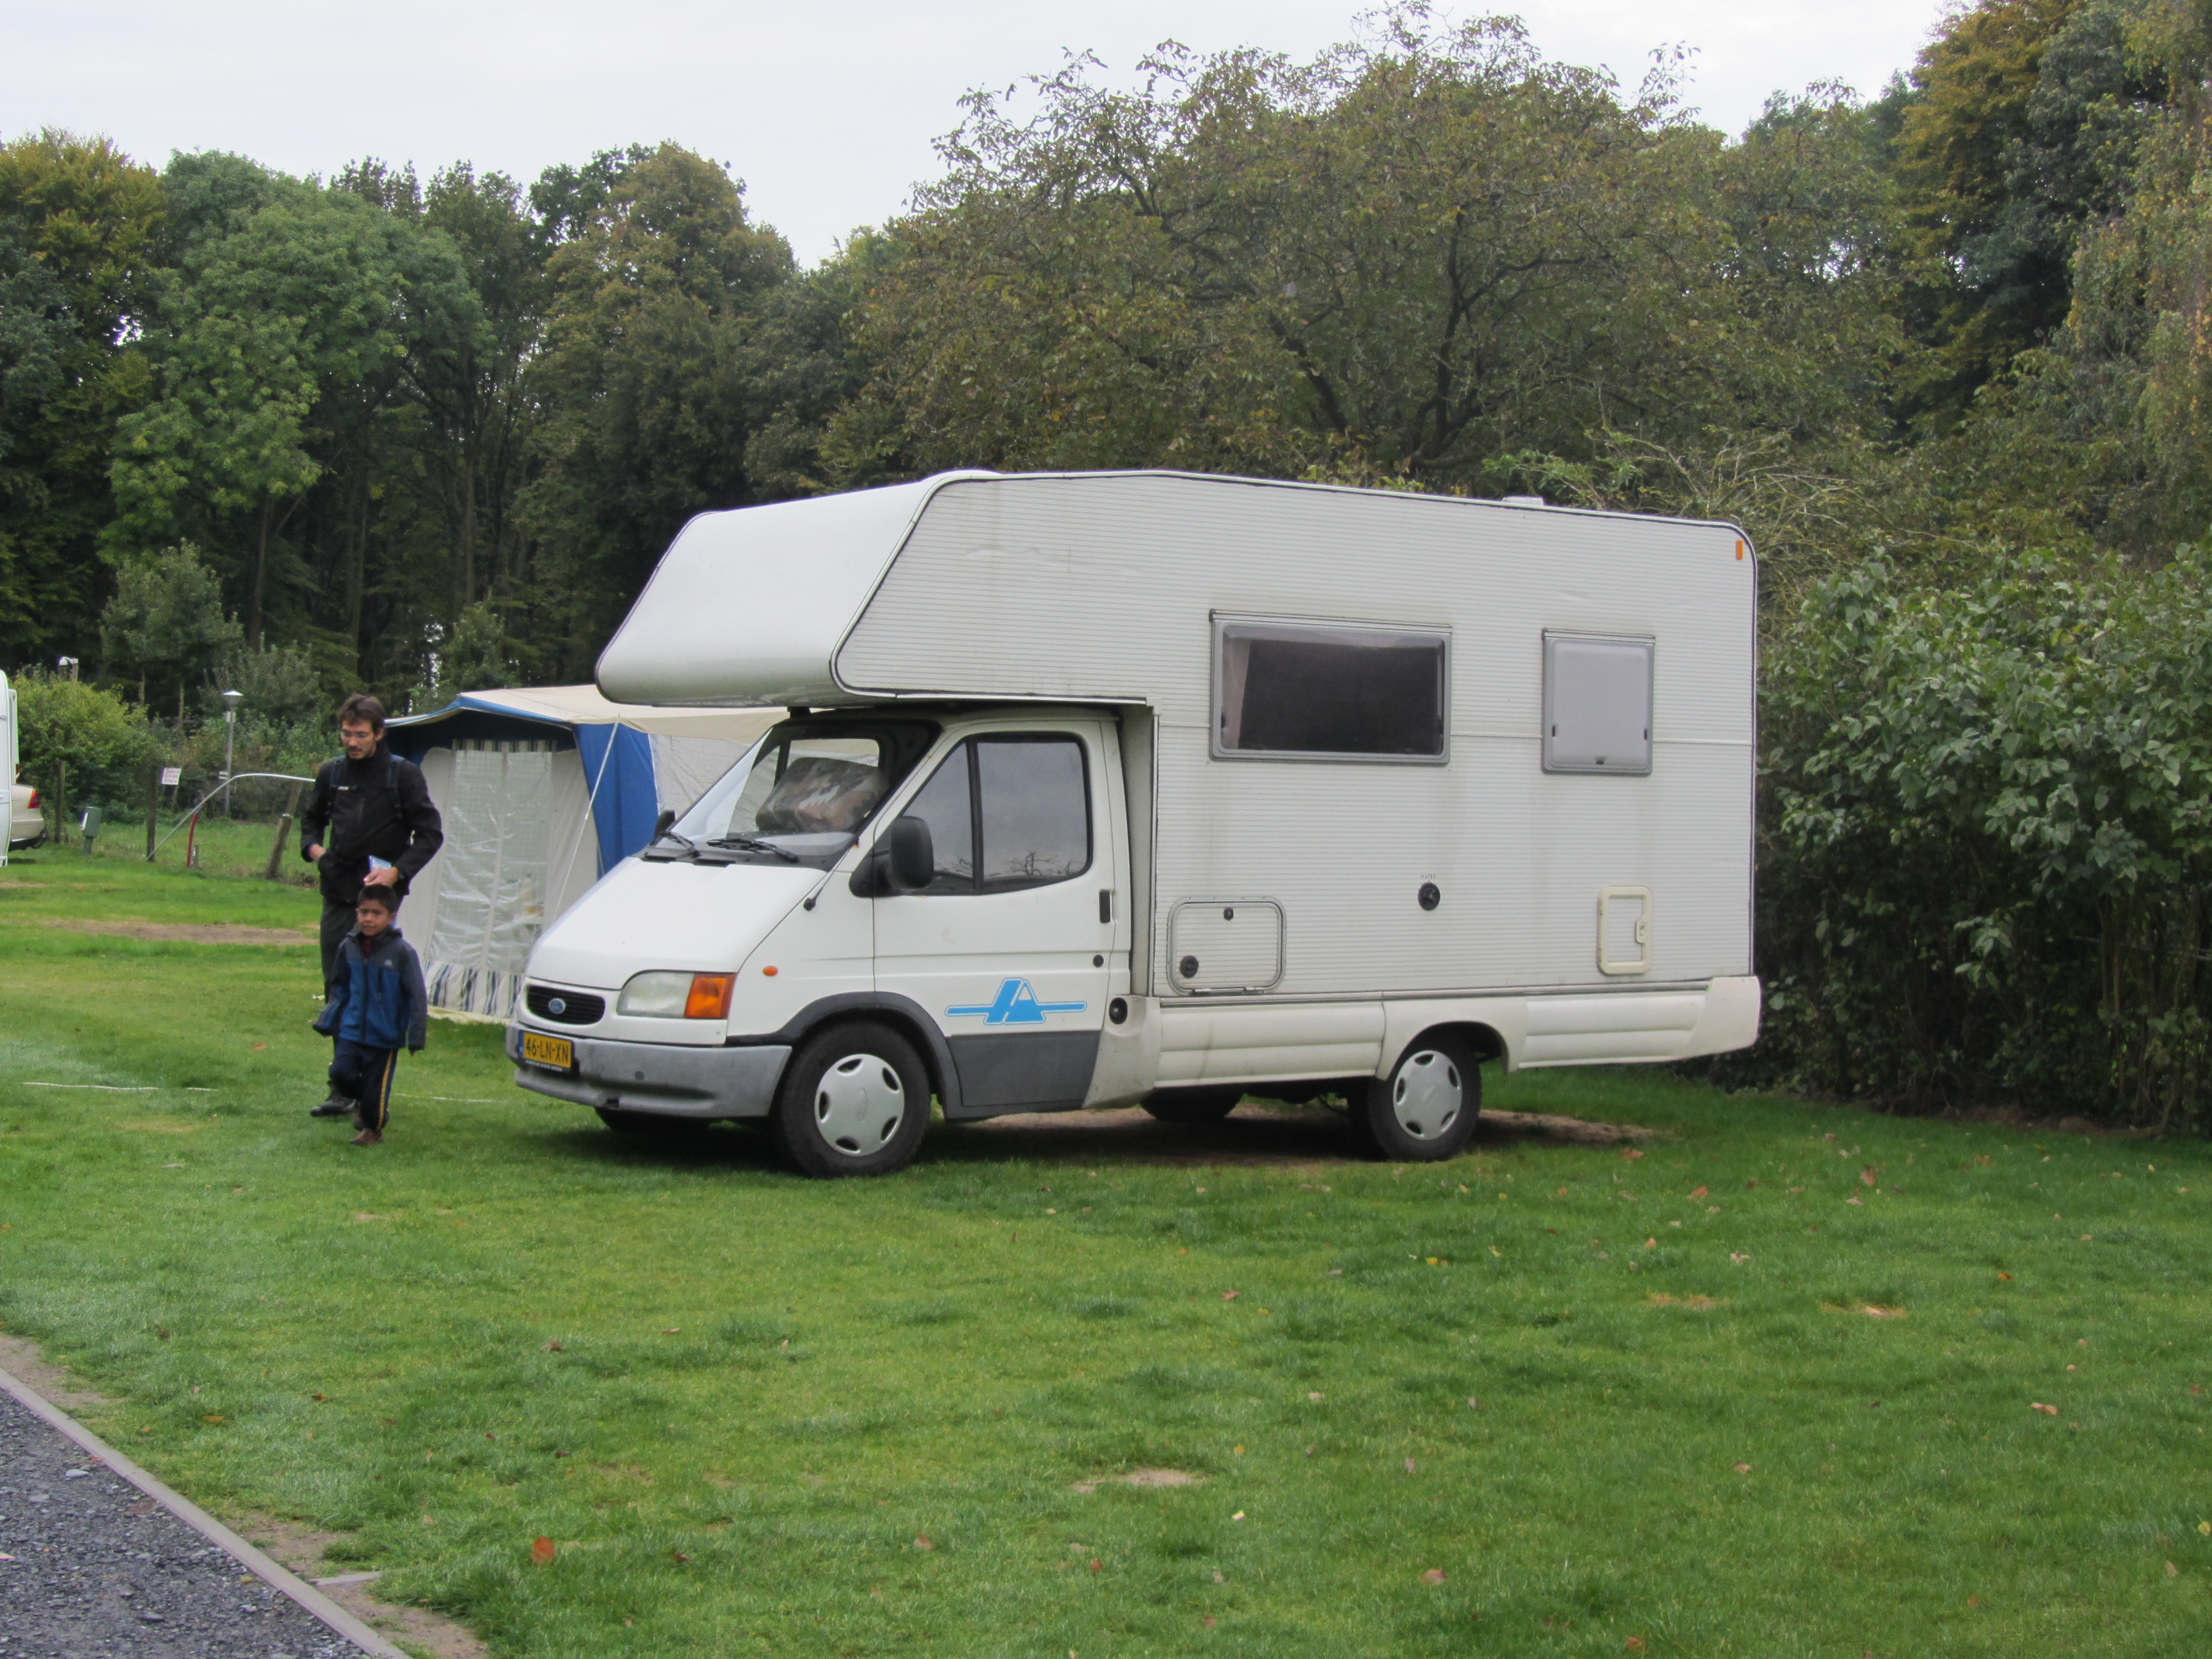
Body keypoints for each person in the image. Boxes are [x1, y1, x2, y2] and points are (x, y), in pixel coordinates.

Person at [300, 693, 442, 990]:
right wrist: (317, 853)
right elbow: (311, 821)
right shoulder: (332, 773)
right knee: (336, 980)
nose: (352, 743)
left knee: (368, 980)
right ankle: (341, 1035)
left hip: (380, 895)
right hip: (337, 890)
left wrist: (396, 873)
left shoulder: (403, 775)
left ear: (379, 733)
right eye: (346, 734)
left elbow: (430, 835)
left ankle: (376, 1033)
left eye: (361, 735)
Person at [310, 888, 426, 1145]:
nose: (369, 919)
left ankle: (372, 1130)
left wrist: (416, 1034)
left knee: (377, 1092)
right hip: (351, 1030)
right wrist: (328, 1019)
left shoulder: (402, 953)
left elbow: (417, 996)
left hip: (384, 1037)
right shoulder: (348, 947)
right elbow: (339, 987)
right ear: (357, 914)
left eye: (377, 913)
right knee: (341, 1073)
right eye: (364, 912)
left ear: (391, 917)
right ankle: (360, 1100)